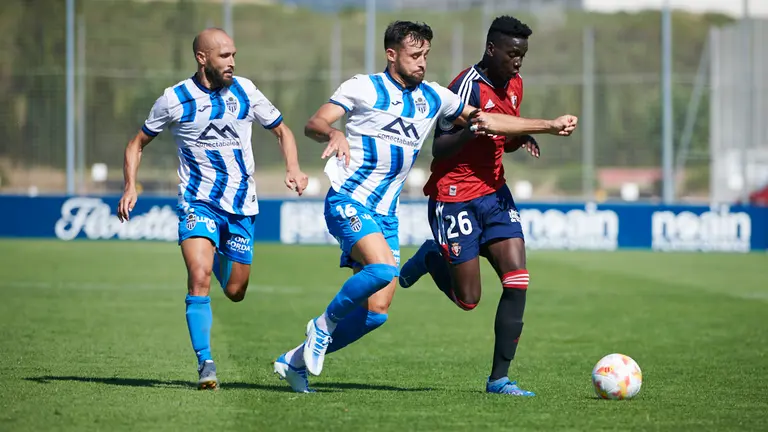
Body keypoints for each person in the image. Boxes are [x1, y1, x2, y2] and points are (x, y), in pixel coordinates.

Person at [273, 20, 577, 393]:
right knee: (383, 269)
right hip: (349, 199)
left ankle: (294, 362)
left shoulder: (433, 96)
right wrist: (334, 132)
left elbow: (485, 119)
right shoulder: (363, 87)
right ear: (391, 55)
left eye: (426, 55)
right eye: (415, 55)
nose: (422, 62)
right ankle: (323, 325)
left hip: (386, 213)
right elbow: (314, 123)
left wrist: (548, 125)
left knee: (376, 314)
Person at [116, 28, 308, 390]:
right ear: (202, 58)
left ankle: (219, 255)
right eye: (224, 56)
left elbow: (282, 130)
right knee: (199, 275)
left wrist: (294, 168)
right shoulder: (175, 99)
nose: (232, 62)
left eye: (234, 55)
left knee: (235, 290)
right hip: (197, 202)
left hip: (241, 206)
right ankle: (205, 363)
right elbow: (136, 144)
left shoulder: (246, 91)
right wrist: (129, 186)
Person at [399, 16, 573, 396]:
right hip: (454, 197)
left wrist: (520, 137)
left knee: (518, 280)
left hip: (494, 194)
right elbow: (439, 148)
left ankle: (499, 380)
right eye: (512, 54)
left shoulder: (515, 84)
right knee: (469, 300)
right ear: (491, 49)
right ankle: (431, 257)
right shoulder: (465, 87)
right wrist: (472, 130)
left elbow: (504, 136)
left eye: (523, 55)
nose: (518, 62)